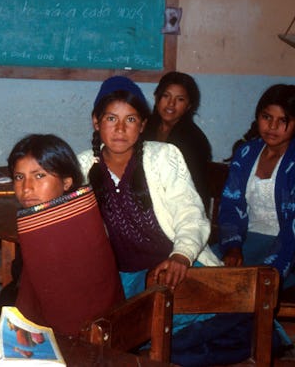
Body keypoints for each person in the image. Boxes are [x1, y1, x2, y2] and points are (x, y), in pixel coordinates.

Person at [77, 76, 264, 366]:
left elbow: (190, 212)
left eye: (130, 120)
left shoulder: (163, 156)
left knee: (228, 316)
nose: (120, 129)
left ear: (142, 125)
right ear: (95, 121)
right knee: (112, 332)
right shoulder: (82, 166)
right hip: (123, 276)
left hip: (171, 266)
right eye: (111, 118)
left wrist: (182, 254)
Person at [2, 134, 123, 336]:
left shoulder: (75, 222)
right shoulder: (44, 221)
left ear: (67, 182)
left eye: (39, 175)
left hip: (89, 338)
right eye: (19, 177)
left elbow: (71, 313)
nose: (26, 188)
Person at [218, 84, 295, 289]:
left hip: (286, 249)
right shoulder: (246, 153)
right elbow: (229, 205)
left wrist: (271, 271)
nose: (272, 126)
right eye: (266, 117)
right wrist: (233, 247)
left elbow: (292, 233)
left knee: (239, 288)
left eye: (283, 120)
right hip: (244, 241)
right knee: (198, 271)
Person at [142, 71, 212, 205]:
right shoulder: (145, 127)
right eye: (166, 96)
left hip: (180, 206)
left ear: (189, 105)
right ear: (157, 98)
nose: (171, 104)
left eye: (180, 99)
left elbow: (193, 190)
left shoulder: (194, 140)